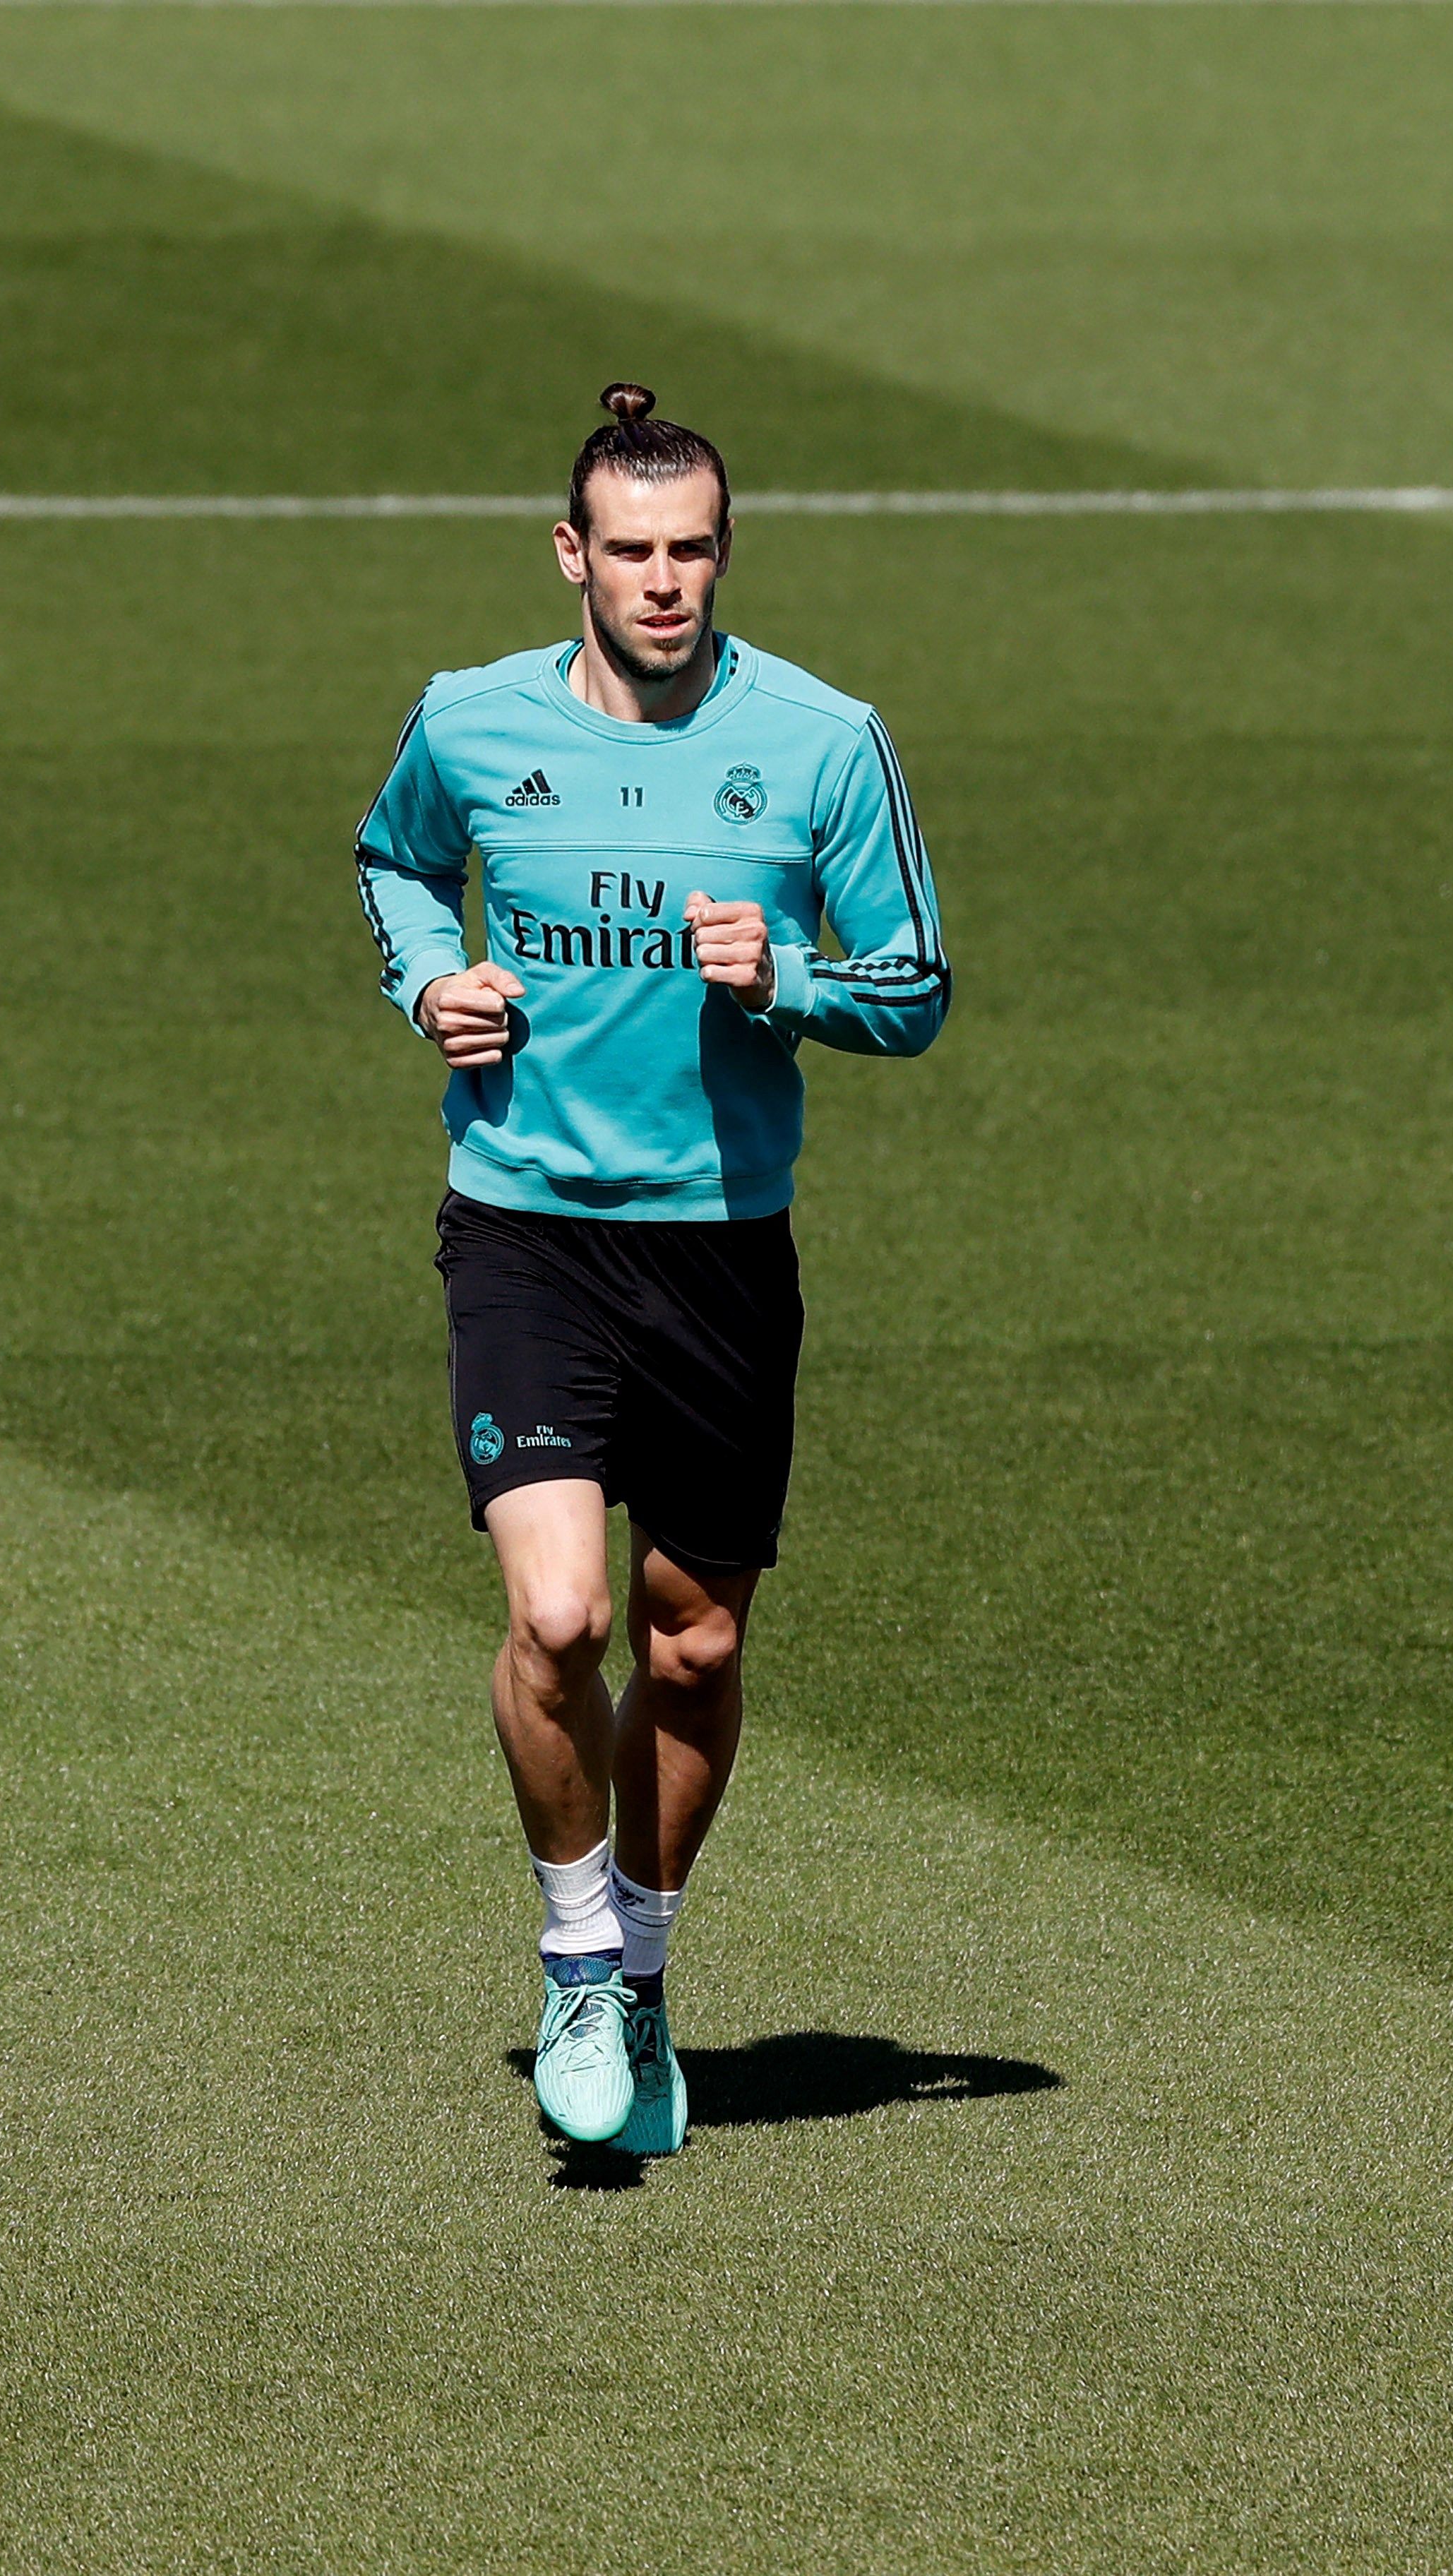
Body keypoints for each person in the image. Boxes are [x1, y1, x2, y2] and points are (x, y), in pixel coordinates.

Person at [354, 386, 950, 2154]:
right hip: (526, 1229)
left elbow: (916, 986)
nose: (665, 581)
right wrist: (431, 982)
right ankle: (571, 1956)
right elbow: (396, 862)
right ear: (574, 556)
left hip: (722, 1252)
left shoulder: (825, 743)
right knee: (562, 1618)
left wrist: (790, 981)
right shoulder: (470, 722)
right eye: (632, 551)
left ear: (725, 552)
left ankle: (644, 1972)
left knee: (691, 1647)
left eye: (693, 549)